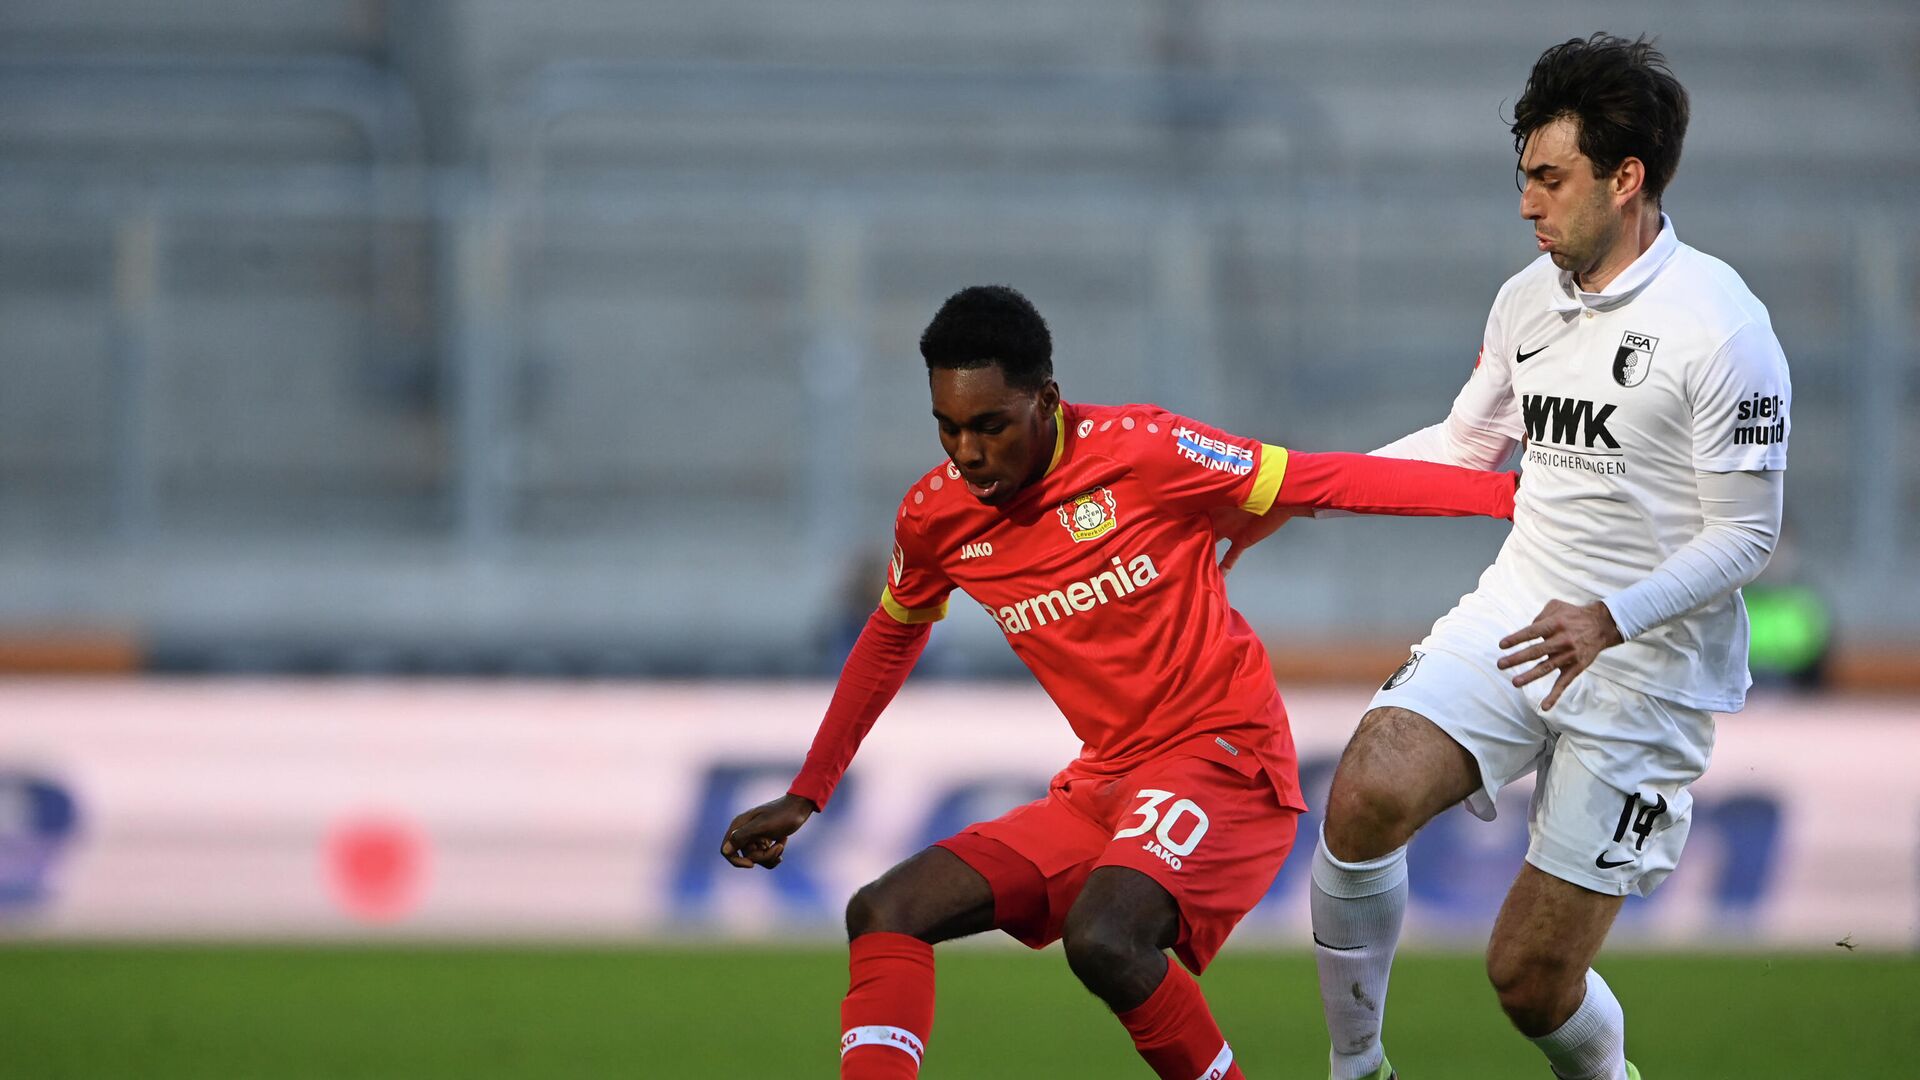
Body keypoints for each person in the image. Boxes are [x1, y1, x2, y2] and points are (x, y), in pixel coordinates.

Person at [720, 283, 1519, 1080]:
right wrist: (809, 790)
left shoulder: (1145, 452)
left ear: (1049, 402)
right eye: (948, 428)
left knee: (1105, 937)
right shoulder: (936, 519)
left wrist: (1513, 498)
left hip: (1226, 760)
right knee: (884, 914)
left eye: (990, 425)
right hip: (1106, 783)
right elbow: (889, 639)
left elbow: (1323, 482)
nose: (967, 452)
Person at [1296, 35, 1791, 1080]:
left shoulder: (1723, 329)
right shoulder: (1529, 299)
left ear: (1627, 179)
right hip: (1522, 613)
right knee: (1367, 787)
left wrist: (1610, 617)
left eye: (1549, 179)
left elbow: (1746, 534)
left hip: (1645, 668)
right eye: (1522, 177)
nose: (1527, 204)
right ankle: (1357, 1066)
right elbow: (1469, 446)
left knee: (1528, 980)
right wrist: (1295, 491)